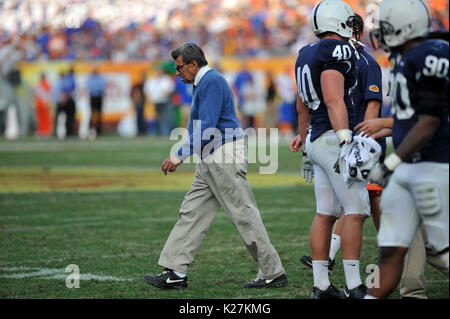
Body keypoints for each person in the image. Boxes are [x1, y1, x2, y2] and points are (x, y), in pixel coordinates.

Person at [143, 42, 288, 290]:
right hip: (212, 157)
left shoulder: (209, 81)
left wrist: (179, 155)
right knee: (192, 212)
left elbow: (207, 127)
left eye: (180, 68)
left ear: (193, 64)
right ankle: (176, 271)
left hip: (222, 155)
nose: (177, 73)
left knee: (244, 214)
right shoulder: (205, 82)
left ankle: (273, 272)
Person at [364, 0, 449, 299]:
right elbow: (407, 119)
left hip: (432, 163)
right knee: (404, 243)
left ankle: (412, 292)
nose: (380, 34)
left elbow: (428, 120)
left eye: (385, 28)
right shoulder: (403, 58)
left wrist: (390, 163)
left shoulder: (430, 55)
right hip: (414, 163)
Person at [290, 0, 370, 299]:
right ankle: (353, 285)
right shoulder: (335, 50)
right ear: (339, 22)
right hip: (331, 136)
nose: (353, 28)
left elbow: (301, 105)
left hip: (315, 137)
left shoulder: (304, 53)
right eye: (348, 22)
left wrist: (302, 138)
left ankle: (321, 286)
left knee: (326, 212)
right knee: (356, 210)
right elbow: (334, 96)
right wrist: (345, 137)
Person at [299, 13, 385, 279]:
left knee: (366, 202)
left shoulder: (361, 62)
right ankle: (349, 268)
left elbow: (371, 105)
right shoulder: (344, 57)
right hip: (343, 139)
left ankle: (388, 254)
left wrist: (363, 143)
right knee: (353, 206)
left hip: (353, 139)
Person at [143, 65, 175, 136]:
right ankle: (158, 133)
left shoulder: (166, 79)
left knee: (168, 118)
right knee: (156, 119)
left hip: (165, 102)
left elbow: (170, 90)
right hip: (155, 103)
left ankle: (167, 133)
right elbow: (147, 92)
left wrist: (162, 94)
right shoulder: (151, 80)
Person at [86, 67, 106, 138]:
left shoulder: (100, 78)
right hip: (93, 97)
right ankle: (91, 129)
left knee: (98, 113)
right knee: (92, 113)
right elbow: (89, 87)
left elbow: (102, 87)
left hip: (98, 97)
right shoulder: (90, 78)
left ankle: (98, 130)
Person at [131, 71, 147, 135]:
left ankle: (144, 131)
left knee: (144, 119)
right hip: (140, 104)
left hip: (146, 104)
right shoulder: (137, 86)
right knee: (139, 118)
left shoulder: (147, 84)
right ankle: (140, 131)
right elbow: (134, 95)